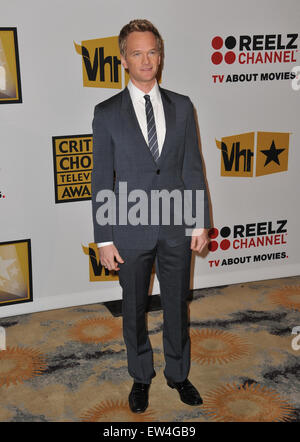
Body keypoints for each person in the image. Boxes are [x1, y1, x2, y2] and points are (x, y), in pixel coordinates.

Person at [91, 19, 211, 413]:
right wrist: (104, 238)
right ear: (123, 59)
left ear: (161, 56)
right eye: (137, 53)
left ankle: (178, 373)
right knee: (134, 308)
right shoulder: (106, 112)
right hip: (129, 227)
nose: (146, 60)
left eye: (152, 52)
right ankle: (141, 376)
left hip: (177, 226)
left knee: (177, 304)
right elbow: (101, 177)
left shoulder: (182, 104)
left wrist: (198, 222)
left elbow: (193, 168)